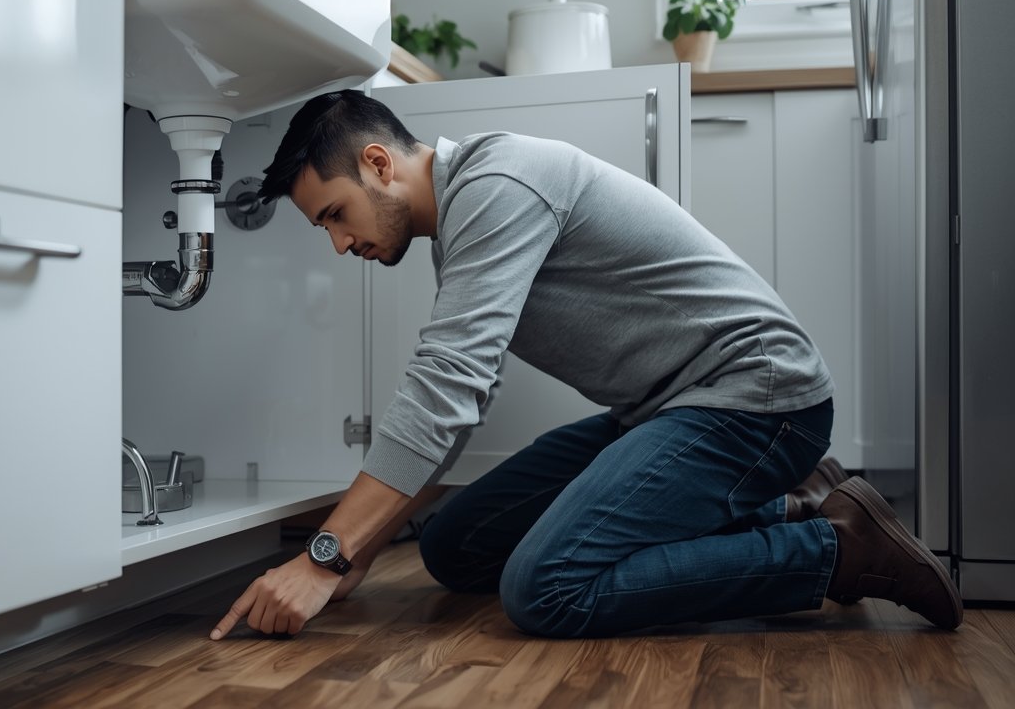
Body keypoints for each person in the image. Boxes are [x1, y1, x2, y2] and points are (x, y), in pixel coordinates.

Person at [209, 89, 962, 641]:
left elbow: (447, 385)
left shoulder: (498, 184)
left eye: (335, 215)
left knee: (545, 589)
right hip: (673, 410)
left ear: (378, 164)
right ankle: (797, 498)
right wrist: (364, 546)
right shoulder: (467, 221)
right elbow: (460, 405)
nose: (340, 246)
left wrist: (325, 556)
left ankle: (834, 550)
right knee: (453, 545)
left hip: (759, 400)